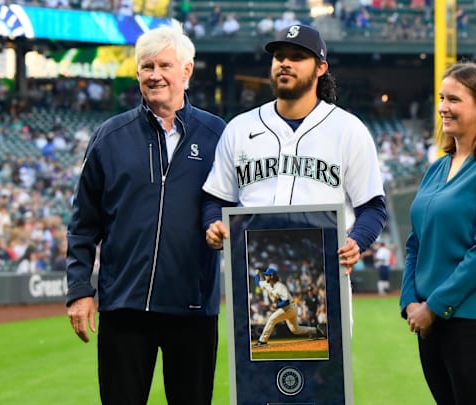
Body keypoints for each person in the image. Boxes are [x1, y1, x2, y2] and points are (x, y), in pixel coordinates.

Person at [65, 25, 226, 404]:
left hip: (193, 308)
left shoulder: (219, 135)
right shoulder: (110, 135)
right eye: (146, 66)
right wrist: (78, 291)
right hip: (124, 307)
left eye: (164, 65)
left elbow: (231, 206)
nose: (154, 75)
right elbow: (83, 223)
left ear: (186, 71)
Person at [202, 24, 387, 280]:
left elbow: (373, 207)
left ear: (321, 68)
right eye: (279, 57)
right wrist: (213, 225)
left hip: (324, 274)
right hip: (252, 275)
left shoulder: (348, 130)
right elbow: (216, 199)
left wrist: (357, 241)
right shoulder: (239, 128)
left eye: (297, 57)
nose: (285, 63)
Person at [400, 61, 476, 404]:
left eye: (453, 99)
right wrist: (409, 301)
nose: (443, 108)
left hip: (473, 320)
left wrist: (433, 306)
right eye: (441, 98)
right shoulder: (437, 167)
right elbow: (414, 244)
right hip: (428, 319)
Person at [253, 266, 325, 346]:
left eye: (267, 275)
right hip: (287, 308)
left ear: (272, 276)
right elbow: (257, 283)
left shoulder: (280, 287)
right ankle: (317, 331)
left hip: (289, 308)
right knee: (295, 330)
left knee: (272, 319)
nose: (265, 276)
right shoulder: (267, 284)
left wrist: (276, 305)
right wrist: (257, 274)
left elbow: (286, 301)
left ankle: (262, 341)